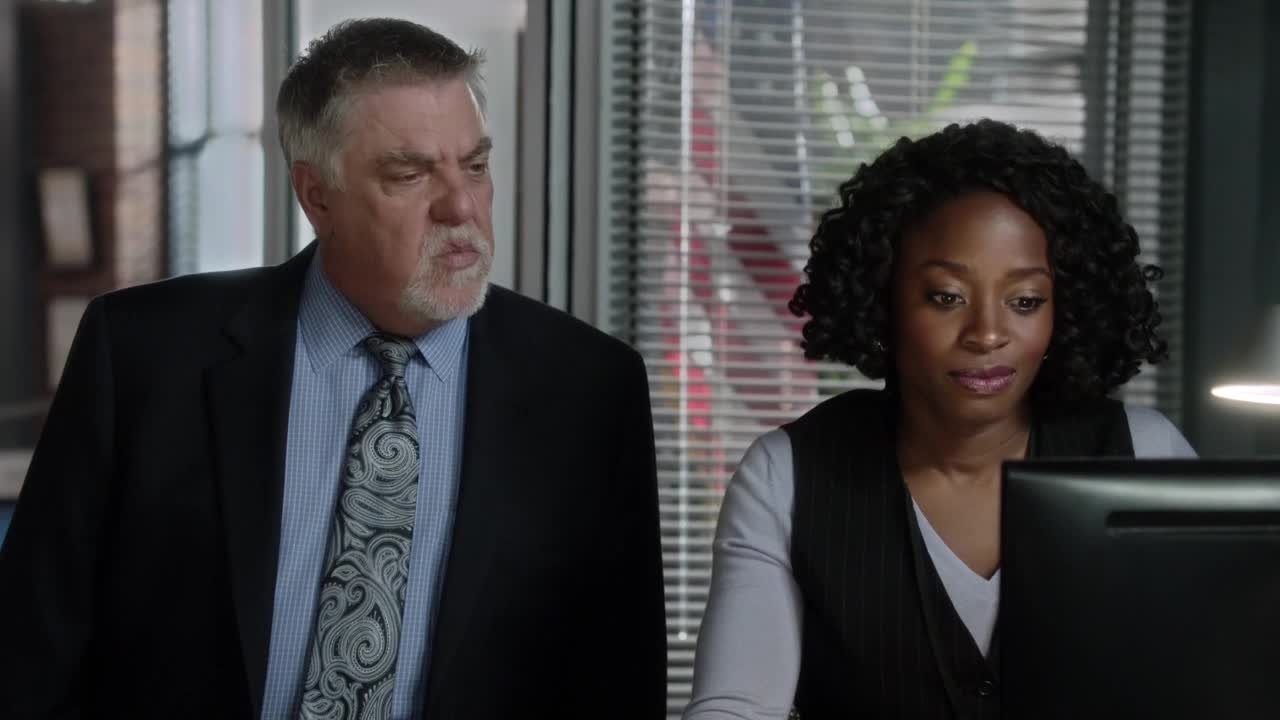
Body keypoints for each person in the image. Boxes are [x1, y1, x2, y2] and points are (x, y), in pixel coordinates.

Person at [0, 18, 666, 719]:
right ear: (316, 195)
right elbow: (28, 655)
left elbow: (617, 684)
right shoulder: (143, 354)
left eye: (475, 166)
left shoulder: (589, 390)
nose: (461, 205)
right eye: (410, 174)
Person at [683, 119, 1195, 720]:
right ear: (883, 299)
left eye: (1025, 301)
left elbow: (1215, 680)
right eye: (946, 297)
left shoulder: (1143, 453)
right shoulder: (787, 474)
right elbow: (735, 707)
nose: (987, 334)